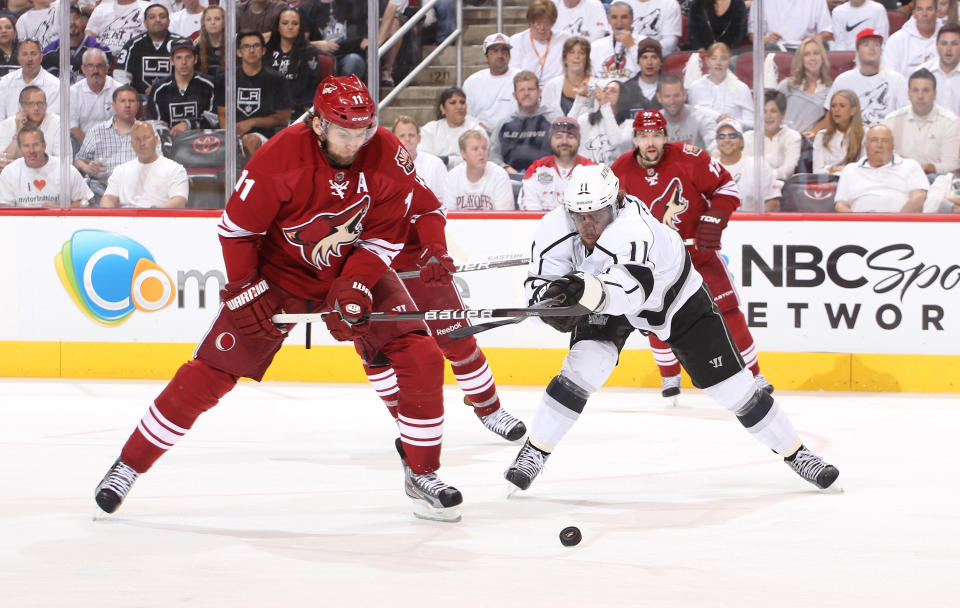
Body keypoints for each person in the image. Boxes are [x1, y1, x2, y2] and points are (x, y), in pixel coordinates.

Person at [93, 75, 466, 522]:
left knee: (421, 351)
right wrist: (244, 288)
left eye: (364, 131)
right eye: (345, 133)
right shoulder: (281, 155)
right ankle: (128, 465)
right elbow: (237, 230)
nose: (356, 142)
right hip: (278, 277)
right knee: (210, 373)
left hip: (347, 268)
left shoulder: (386, 152)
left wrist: (357, 283)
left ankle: (422, 472)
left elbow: (386, 233)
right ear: (320, 125)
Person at [503, 162, 840, 493]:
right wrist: (552, 302)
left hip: (674, 298)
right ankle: (535, 450)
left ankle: (798, 454)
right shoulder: (554, 228)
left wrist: (587, 293)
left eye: (596, 216)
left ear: (616, 203)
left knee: (733, 388)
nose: (588, 226)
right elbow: (540, 285)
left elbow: (631, 292)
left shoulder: (633, 230)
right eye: (580, 217)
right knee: (585, 366)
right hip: (605, 294)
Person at [611, 110, 773, 403]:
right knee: (656, 319)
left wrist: (714, 219)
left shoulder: (691, 157)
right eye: (644, 136)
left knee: (728, 312)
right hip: (656, 264)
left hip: (698, 256)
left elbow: (727, 187)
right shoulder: (619, 170)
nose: (651, 142)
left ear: (665, 136)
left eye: (657, 135)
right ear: (634, 138)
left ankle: (754, 373)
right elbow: (611, 217)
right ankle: (670, 375)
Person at [215, 31, 291, 157]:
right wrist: (230, 136)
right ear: (239, 52)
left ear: (263, 50)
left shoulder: (277, 79)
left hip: (266, 137)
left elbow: (283, 118)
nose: (251, 50)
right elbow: (222, 114)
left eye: (256, 46)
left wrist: (252, 122)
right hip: (233, 136)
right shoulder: (227, 79)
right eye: (246, 46)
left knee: (250, 140)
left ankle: (253, 176)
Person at [882, 67, 960, 174]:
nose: (920, 96)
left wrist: (920, 167)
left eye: (926, 90)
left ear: (935, 94)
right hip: (898, 176)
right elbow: (882, 156)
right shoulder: (891, 120)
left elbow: (952, 165)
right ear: (908, 94)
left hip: (935, 180)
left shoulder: (950, 122)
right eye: (915, 90)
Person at [834, 124, 928, 211]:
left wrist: (896, 221)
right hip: (859, 224)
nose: (879, 145)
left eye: (885, 141)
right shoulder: (850, 169)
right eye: (874, 140)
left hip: (899, 225)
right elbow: (840, 205)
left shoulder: (910, 165)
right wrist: (858, 220)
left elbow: (919, 198)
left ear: (892, 146)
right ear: (865, 145)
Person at [825, 28, 909, 126]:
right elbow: (831, 115)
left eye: (876, 45)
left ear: (881, 51)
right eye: (866, 44)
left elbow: (906, 114)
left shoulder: (897, 80)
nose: (872, 48)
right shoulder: (842, 80)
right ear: (857, 52)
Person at [74, 85, 142, 200]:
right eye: (122, 101)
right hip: (102, 189)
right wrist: (87, 168)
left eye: (131, 101)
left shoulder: (147, 132)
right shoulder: (96, 131)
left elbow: (158, 162)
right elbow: (78, 160)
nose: (127, 105)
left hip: (138, 190)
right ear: (114, 105)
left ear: (138, 105)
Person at [99, 121, 188, 208]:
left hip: (160, 219)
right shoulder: (120, 171)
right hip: (126, 220)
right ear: (131, 144)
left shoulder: (175, 169)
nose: (142, 143)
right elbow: (108, 198)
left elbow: (179, 201)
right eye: (137, 139)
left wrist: (151, 214)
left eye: (146, 137)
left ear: (156, 140)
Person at [0, 126, 91, 207]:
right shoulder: (9, 172)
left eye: (36, 145)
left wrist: (60, 211)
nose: (31, 151)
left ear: (44, 146)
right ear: (20, 149)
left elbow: (86, 201)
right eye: (26, 146)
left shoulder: (65, 170)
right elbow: (4, 206)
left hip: (59, 223)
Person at [489, 71, 560, 174]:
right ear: (515, 95)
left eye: (530, 89)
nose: (526, 93)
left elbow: (564, 154)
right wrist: (505, 169)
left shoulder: (555, 122)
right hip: (510, 181)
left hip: (545, 180)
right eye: (521, 90)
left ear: (539, 92)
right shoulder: (504, 124)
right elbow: (493, 156)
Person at [519, 116, 595, 210]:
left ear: (579, 141)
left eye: (570, 136)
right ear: (550, 140)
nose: (564, 141)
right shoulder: (536, 169)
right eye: (558, 136)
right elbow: (529, 207)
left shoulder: (592, 170)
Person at [115, 4, 187, 95]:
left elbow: (192, 74)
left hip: (175, 96)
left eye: (162, 16)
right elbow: (120, 75)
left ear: (169, 21)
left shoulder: (181, 43)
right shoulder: (132, 45)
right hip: (141, 98)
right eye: (152, 17)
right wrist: (132, 95)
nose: (158, 20)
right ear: (145, 22)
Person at [149, 38, 216, 135]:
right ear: (171, 60)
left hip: (203, 142)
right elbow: (156, 124)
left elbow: (214, 119)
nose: (184, 62)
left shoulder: (210, 85)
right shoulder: (159, 90)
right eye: (179, 57)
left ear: (195, 59)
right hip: (170, 144)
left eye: (188, 57)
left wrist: (188, 124)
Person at [264, 8, 320, 118]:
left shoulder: (309, 52)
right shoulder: (267, 50)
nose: (290, 27)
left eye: (295, 23)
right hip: (269, 108)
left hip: (298, 109)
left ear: (300, 27)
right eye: (285, 23)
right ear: (278, 27)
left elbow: (307, 88)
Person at [716, 118, 781, 212]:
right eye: (721, 136)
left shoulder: (759, 166)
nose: (727, 140)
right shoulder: (706, 168)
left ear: (742, 141)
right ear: (717, 142)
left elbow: (773, 203)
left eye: (733, 136)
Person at [687, 42, 754, 129]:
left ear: (729, 61)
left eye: (723, 59)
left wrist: (731, 121)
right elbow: (691, 119)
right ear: (707, 61)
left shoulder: (741, 88)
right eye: (714, 58)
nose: (718, 63)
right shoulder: (695, 87)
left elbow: (752, 124)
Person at [461, 33, 520, 133]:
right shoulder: (472, 82)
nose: (500, 55)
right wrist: (479, 127)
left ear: (509, 56)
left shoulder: (521, 78)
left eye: (504, 51)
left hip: (514, 134)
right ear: (486, 57)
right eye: (495, 51)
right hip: (479, 134)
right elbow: (465, 113)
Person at [444, 129, 516, 210]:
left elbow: (505, 218)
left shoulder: (500, 175)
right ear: (463, 153)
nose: (481, 152)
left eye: (484, 148)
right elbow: (449, 217)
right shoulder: (452, 177)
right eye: (475, 149)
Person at [40, 3, 112, 82]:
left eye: (76, 17)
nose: (72, 22)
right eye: (67, 18)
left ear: (82, 21)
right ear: (60, 23)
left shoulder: (99, 49)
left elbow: (106, 81)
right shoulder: (49, 52)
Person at [777, 36, 832, 136]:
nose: (812, 58)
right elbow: (772, 111)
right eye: (807, 54)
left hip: (810, 145)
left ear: (822, 57)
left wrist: (814, 131)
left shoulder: (830, 90)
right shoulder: (787, 85)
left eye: (816, 53)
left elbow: (831, 116)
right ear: (801, 59)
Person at [417, 87, 484, 166]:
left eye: (462, 102)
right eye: (453, 103)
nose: (459, 106)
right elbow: (423, 156)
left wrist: (448, 160)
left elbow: (478, 158)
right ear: (442, 108)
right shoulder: (430, 129)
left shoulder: (476, 130)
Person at [744, 89, 801, 181]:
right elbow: (744, 168)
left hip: (781, 188)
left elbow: (787, 170)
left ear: (782, 114)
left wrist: (766, 177)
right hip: (752, 186)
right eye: (764, 111)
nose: (768, 116)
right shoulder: (747, 137)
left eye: (773, 111)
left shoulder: (792, 137)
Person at [658, 72, 720, 154]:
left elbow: (715, 144)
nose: (672, 101)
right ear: (659, 98)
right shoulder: (654, 122)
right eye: (667, 96)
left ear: (684, 95)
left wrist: (716, 154)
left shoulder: (700, 118)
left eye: (676, 95)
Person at [0, 86, 61, 170]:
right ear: (21, 106)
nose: (36, 108)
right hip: (14, 178)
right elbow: (2, 161)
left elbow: (63, 162)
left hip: (48, 176)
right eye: (30, 104)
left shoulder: (58, 123)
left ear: (46, 105)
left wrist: (19, 166)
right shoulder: (7, 124)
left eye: (40, 103)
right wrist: (18, 131)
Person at [509, 0, 570, 83]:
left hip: (557, 88)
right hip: (527, 88)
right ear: (530, 22)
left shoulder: (564, 38)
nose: (542, 28)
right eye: (538, 23)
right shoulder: (516, 40)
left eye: (546, 23)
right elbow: (514, 72)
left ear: (553, 23)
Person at [302, 0, 366, 79]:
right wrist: (317, 45)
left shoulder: (350, 5)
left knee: (354, 61)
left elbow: (364, 32)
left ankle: (343, 90)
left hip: (347, 55)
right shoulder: (307, 8)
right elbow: (300, 43)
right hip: (320, 58)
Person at [391, 115, 448, 205]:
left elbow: (444, 201)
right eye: (402, 136)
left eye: (411, 135)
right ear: (393, 140)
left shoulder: (435, 164)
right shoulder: (385, 166)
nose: (407, 139)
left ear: (419, 139)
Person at [0, 39, 60, 119]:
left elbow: (53, 121)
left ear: (41, 57)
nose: (29, 59)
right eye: (24, 54)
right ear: (18, 58)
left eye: (33, 54)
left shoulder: (55, 85)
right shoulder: (5, 82)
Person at [69, 49, 119, 143]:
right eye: (90, 66)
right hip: (83, 146)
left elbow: (124, 124)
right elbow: (73, 127)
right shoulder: (73, 92)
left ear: (106, 68)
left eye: (99, 66)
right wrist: (90, 146)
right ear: (83, 69)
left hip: (115, 145)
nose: (95, 71)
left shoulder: (119, 90)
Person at [541, 36, 598, 117]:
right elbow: (545, 115)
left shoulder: (593, 85)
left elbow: (592, 114)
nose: (576, 56)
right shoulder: (552, 85)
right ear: (565, 57)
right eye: (571, 52)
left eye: (581, 53)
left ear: (587, 58)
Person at [813, 89, 866, 173]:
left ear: (853, 110)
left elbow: (866, 166)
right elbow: (816, 171)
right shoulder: (822, 136)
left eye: (842, 106)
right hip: (829, 181)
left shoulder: (865, 133)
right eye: (833, 106)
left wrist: (846, 169)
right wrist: (832, 169)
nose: (836, 110)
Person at [578, 80, 630, 164]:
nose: (606, 92)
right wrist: (580, 98)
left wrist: (605, 106)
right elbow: (566, 127)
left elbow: (615, 141)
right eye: (605, 89)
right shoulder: (586, 119)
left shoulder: (629, 124)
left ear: (622, 97)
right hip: (588, 173)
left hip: (615, 173)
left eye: (613, 91)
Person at [884, 0, 940, 78]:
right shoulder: (896, 40)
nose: (924, 14)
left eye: (929, 9)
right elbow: (888, 77)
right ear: (913, 13)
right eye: (919, 9)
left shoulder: (948, 39)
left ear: (937, 12)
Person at [747, 0, 833, 51]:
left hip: (806, 50)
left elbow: (828, 33)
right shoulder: (761, 1)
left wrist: (815, 38)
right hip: (775, 49)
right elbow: (753, 35)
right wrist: (765, 39)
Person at [616, 37, 664, 116]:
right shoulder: (626, 89)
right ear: (638, 61)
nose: (649, 62)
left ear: (661, 61)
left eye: (654, 57)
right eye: (644, 57)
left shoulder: (671, 86)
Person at [591, 2, 639, 80]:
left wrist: (632, 46)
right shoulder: (596, 46)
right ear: (608, 20)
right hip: (602, 90)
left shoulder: (644, 43)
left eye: (624, 17)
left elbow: (646, 72)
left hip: (632, 91)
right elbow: (589, 79)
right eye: (614, 17)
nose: (619, 22)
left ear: (632, 19)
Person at [921, 22, 960, 115]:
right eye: (944, 43)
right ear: (937, 45)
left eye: (954, 44)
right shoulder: (922, 73)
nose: (948, 48)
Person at [85, 0, 149, 55]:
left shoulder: (148, 7)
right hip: (103, 58)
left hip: (136, 55)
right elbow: (88, 36)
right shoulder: (101, 8)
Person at [195, 5, 225, 80]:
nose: (212, 22)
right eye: (208, 19)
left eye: (217, 19)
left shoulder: (234, 46)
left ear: (224, 22)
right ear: (204, 23)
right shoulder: (197, 47)